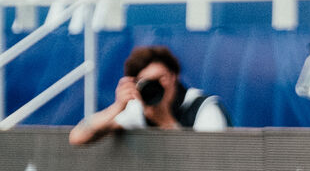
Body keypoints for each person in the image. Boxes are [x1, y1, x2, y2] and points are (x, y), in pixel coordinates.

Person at [69, 45, 230, 145]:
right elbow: (77, 137)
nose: (157, 86)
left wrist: (166, 122)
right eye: (148, 82)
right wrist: (117, 107)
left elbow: (209, 161)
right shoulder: (138, 110)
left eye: (161, 78)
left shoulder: (204, 108)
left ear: (174, 76)